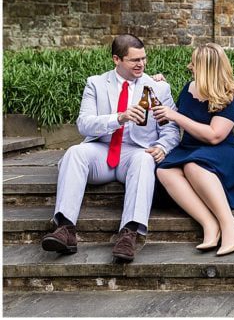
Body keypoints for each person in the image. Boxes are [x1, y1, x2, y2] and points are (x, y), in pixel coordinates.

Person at [42, 34, 180, 262]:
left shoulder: (157, 88)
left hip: (136, 153)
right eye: (134, 60)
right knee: (75, 152)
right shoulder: (95, 83)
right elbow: (84, 124)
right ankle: (65, 229)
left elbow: (171, 129)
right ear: (117, 59)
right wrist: (119, 118)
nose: (141, 64)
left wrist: (162, 147)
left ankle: (130, 234)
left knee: (145, 159)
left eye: (144, 59)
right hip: (102, 151)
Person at [152, 43, 234, 256]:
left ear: (207, 67)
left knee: (193, 166)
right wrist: (158, 86)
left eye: (194, 63)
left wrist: (177, 116)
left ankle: (230, 225)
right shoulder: (189, 87)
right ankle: (209, 224)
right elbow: (171, 115)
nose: (189, 66)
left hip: (222, 151)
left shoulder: (228, 95)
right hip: (190, 147)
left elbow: (215, 135)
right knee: (163, 170)